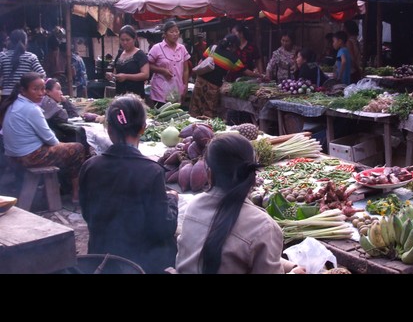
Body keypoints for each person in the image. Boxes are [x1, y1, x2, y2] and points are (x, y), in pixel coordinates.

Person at [175, 132, 305, 274]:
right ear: (252, 176)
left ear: (209, 174)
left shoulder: (194, 207)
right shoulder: (263, 226)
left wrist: (289, 266)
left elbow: (227, 251)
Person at [79, 94, 179, 274]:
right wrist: (172, 201)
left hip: (100, 258)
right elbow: (163, 228)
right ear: (143, 128)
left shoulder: (89, 166)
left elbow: (88, 214)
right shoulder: (152, 171)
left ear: (108, 129)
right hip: (138, 264)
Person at [0, 72, 85, 203]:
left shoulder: (13, 104)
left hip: (12, 155)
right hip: (28, 156)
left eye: (42, 89)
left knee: (65, 147)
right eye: (35, 89)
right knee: (77, 148)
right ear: (23, 90)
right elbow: (52, 140)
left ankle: (60, 189)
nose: (41, 93)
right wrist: (63, 145)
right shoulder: (31, 109)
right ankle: (76, 194)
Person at [189, 35, 262, 118]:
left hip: (200, 82)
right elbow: (246, 72)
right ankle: (206, 129)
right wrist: (260, 75)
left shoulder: (212, 48)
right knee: (208, 112)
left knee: (195, 109)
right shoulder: (232, 59)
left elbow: (200, 63)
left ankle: (192, 127)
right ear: (233, 46)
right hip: (213, 87)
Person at [40, 78, 91, 158]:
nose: (61, 93)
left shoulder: (49, 102)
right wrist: (65, 102)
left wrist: (65, 101)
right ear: (48, 92)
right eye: (58, 89)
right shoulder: (48, 103)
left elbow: (74, 115)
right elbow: (65, 116)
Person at [147, 21, 190, 108]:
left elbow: (186, 69)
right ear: (165, 34)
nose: (175, 34)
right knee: (161, 116)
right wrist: (162, 70)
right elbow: (148, 65)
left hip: (177, 90)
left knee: (175, 117)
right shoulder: (156, 48)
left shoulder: (182, 48)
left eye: (177, 31)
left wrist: (185, 85)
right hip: (160, 91)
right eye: (171, 32)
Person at [0, 29, 45, 102]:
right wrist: (33, 87)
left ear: (10, 41)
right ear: (25, 41)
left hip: (6, 96)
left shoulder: (2, 56)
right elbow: (42, 74)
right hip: (24, 95)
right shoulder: (31, 57)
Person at [105, 25, 149, 99]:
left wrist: (126, 76)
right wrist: (111, 76)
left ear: (134, 39)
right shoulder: (120, 54)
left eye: (128, 40)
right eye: (122, 40)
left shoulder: (140, 55)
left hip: (136, 96)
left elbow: (145, 75)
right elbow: (115, 73)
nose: (125, 42)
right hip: (120, 95)